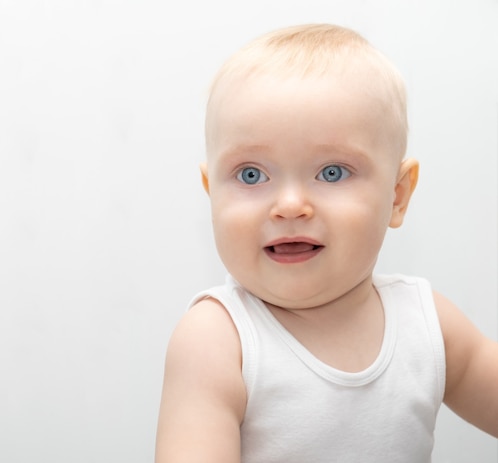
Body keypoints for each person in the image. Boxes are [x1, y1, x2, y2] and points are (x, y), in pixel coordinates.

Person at [155, 24, 498, 462]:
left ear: (397, 196)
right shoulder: (219, 340)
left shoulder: (427, 324)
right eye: (251, 175)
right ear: (211, 193)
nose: (290, 205)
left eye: (332, 172)